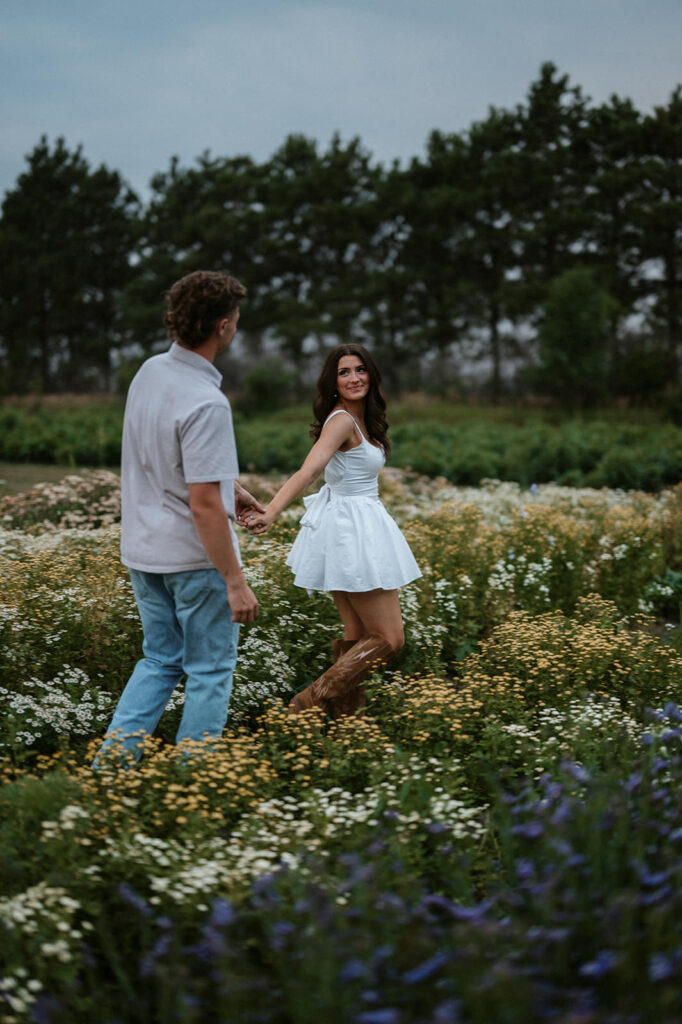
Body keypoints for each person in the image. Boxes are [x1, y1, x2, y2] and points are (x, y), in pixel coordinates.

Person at [95, 270, 261, 764]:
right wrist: (234, 580)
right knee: (210, 669)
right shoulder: (208, 402)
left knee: (160, 660)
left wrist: (233, 489)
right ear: (223, 326)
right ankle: (194, 784)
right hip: (194, 561)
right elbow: (203, 504)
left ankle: (112, 769)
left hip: (144, 553)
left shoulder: (150, 373)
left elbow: (165, 459)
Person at [246, 343, 421, 718]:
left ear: (370, 374)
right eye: (344, 372)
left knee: (358, 637)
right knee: (391, 638)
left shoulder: (360, 419)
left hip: (350, 525)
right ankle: (306, 704)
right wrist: (272, 511)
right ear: (333, 382)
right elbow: (309, 471)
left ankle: (345, 729)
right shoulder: (341, 420)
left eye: (360, 369)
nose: (354, 378)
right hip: (352, 531)